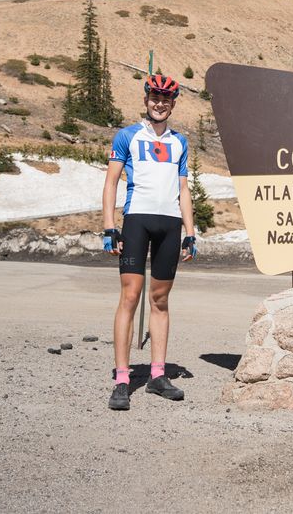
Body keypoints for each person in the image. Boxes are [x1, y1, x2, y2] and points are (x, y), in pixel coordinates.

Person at [102, 74, 198, 411]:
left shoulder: (180, 143)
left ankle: (157, 375)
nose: (160, 103)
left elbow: (183, 189)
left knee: (160, 300)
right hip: (137, 222)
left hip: (170, 225)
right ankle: (122, 379)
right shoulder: (128, 135)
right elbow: (112, 182)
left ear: (173, 104)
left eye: (166, 99)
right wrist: (110, 226)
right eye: (154, 97)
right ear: (146, 100)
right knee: (130, 297)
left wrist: (191, 231)